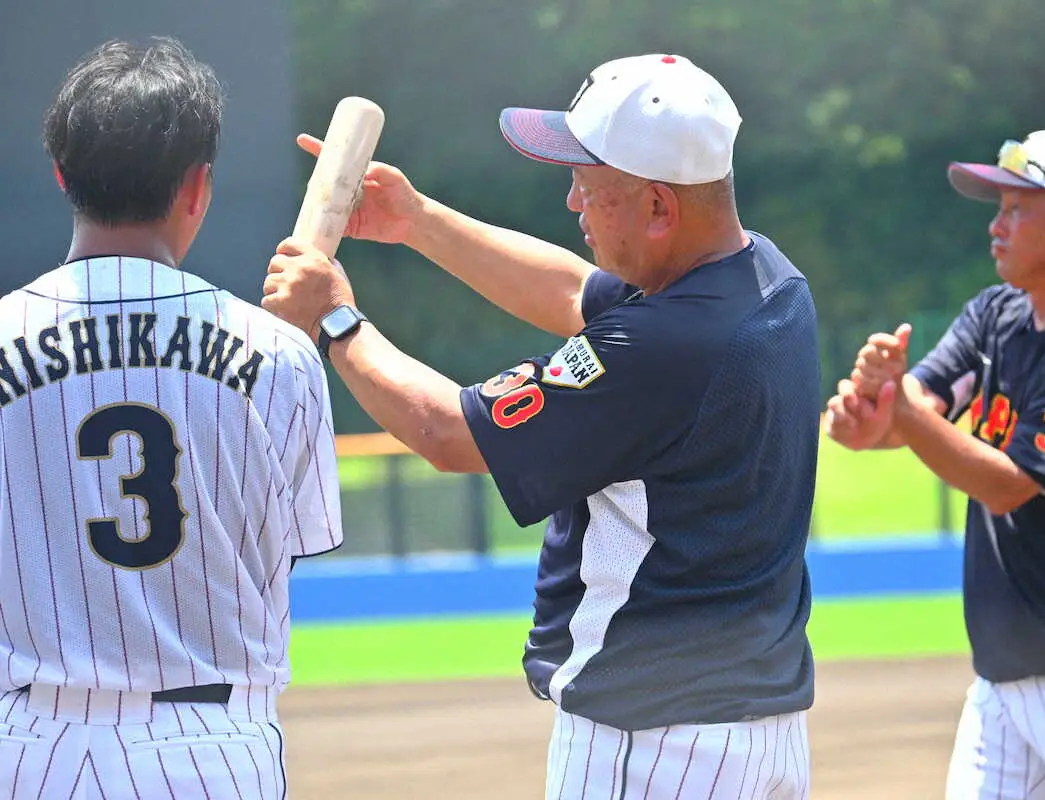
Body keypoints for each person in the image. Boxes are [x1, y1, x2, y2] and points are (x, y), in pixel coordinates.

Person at [262, 53, 819, 798]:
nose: (571, 203)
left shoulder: (666, 345)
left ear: (659, 207)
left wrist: (334, 318)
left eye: (589, 187)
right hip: (759, 731)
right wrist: (418, 220)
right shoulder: (768, 281)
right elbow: (569, 289)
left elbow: (446, 433)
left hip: (652, 741)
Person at [0, 38, 342, 798]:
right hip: (209, 749)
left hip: (28, 749)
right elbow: (285, 550)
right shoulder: (280, 355)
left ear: (62, 176)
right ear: (198, 187)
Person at [825, 130, 1045, 799]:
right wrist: (867, 417)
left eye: (1017, 208)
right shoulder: (995, 315)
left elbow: (1009, 486)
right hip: (1006, 670)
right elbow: (919, 408)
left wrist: (899, 413)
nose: (995, 226)